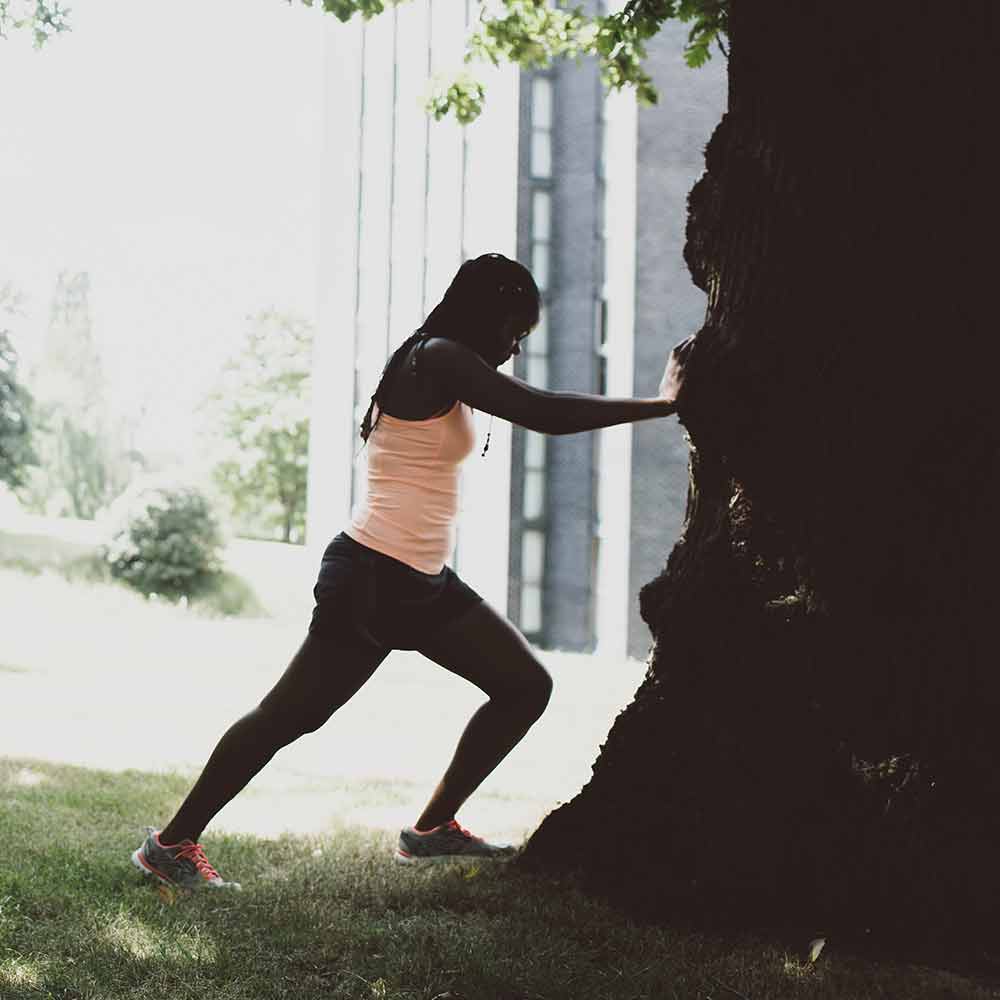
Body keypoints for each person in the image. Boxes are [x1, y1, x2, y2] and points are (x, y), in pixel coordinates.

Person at [131, 252, 690, 889]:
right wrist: (660, 403)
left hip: (420, 580)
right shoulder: (439, 356)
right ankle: (171, 845)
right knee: (288, 717)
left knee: (524, 686)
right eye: (512, 330)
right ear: (485, 316)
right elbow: (544, 413)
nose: (512, 348)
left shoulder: (442, 363)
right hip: (371, 577)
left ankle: (430, 831)